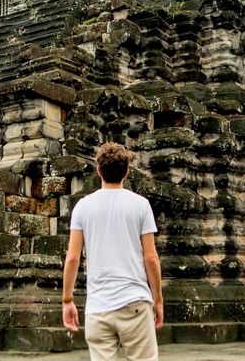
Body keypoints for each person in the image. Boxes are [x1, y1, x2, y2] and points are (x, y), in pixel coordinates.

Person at [62, 142, 164, 361]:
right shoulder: (141, 205)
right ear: (127, 173)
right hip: (135, 303)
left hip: (98, 307)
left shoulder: (83, 206)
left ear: (98, 170)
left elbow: (72, 257)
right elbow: (150, 258)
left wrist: (67, 300)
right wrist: (158, 300)